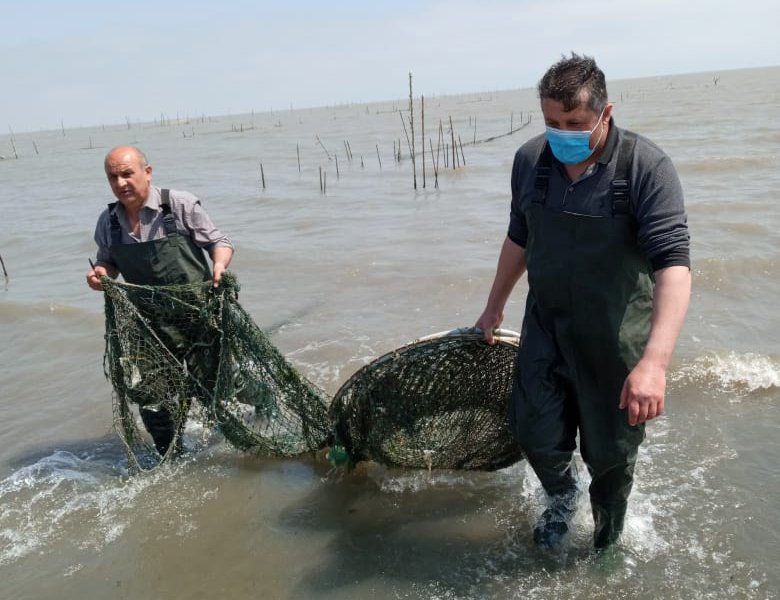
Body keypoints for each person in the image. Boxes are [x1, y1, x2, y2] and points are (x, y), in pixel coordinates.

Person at [475, 54, 691, 552]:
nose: (562, 133)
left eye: (574, 123)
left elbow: (674, 269)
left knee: (611, 456)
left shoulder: (646, 167)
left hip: (614, 337)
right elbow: (518, 239)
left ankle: (608, 540)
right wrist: (494, 306)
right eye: (552, 122)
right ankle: (562, 495)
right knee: (532, 430)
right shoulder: (531, 161)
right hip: (546, 327)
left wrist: (654, 364)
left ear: (605, 112)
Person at [87, 145, 234, 456]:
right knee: (152, 397)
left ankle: (245, 433)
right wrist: (101, 274)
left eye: (127, 174)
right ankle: (171, 456)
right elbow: (108, 262)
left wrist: (219, 264)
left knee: (219, 389)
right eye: (113, 177)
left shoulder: (178, 204)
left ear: (147, 173)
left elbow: (219, 242)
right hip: (147, 327)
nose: (121, 182)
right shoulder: (108, 221)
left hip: (198, 316)